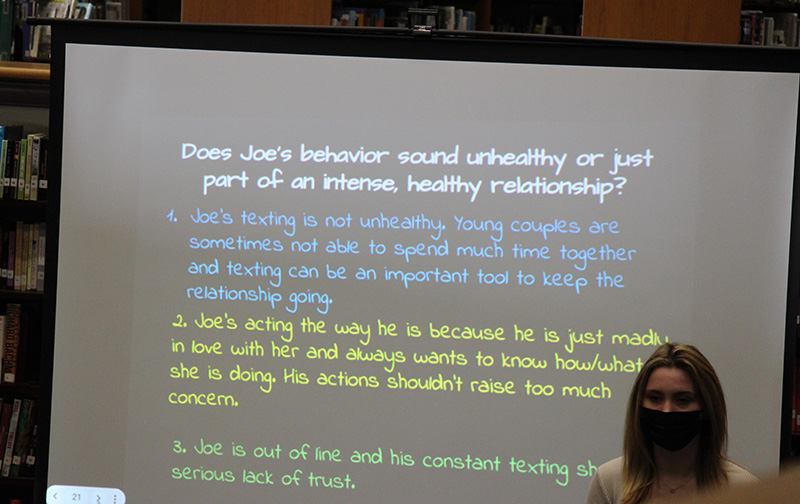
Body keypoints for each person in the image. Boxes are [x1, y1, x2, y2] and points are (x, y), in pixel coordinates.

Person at [586, 342, 758, 504]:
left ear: (707, 408)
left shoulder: (744, 488)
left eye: (682, 400)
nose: (667, 410)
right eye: (655, 398)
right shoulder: (609, 481)